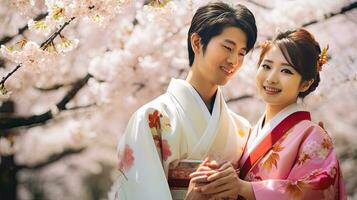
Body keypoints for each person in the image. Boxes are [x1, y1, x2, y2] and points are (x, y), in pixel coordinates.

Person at [114, 2, 257, 200]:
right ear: (197, 42)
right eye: (227, 47)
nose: (234, 60)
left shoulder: (242, 128)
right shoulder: (151, 118)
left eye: (242, 53)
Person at [189, 29, 346, 200]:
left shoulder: (313, 135)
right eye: (266, 66)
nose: (271, 78)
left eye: (286, 71)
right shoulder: (249, 132)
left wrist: (245, 188)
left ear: (305, 84)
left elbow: (316, 190)